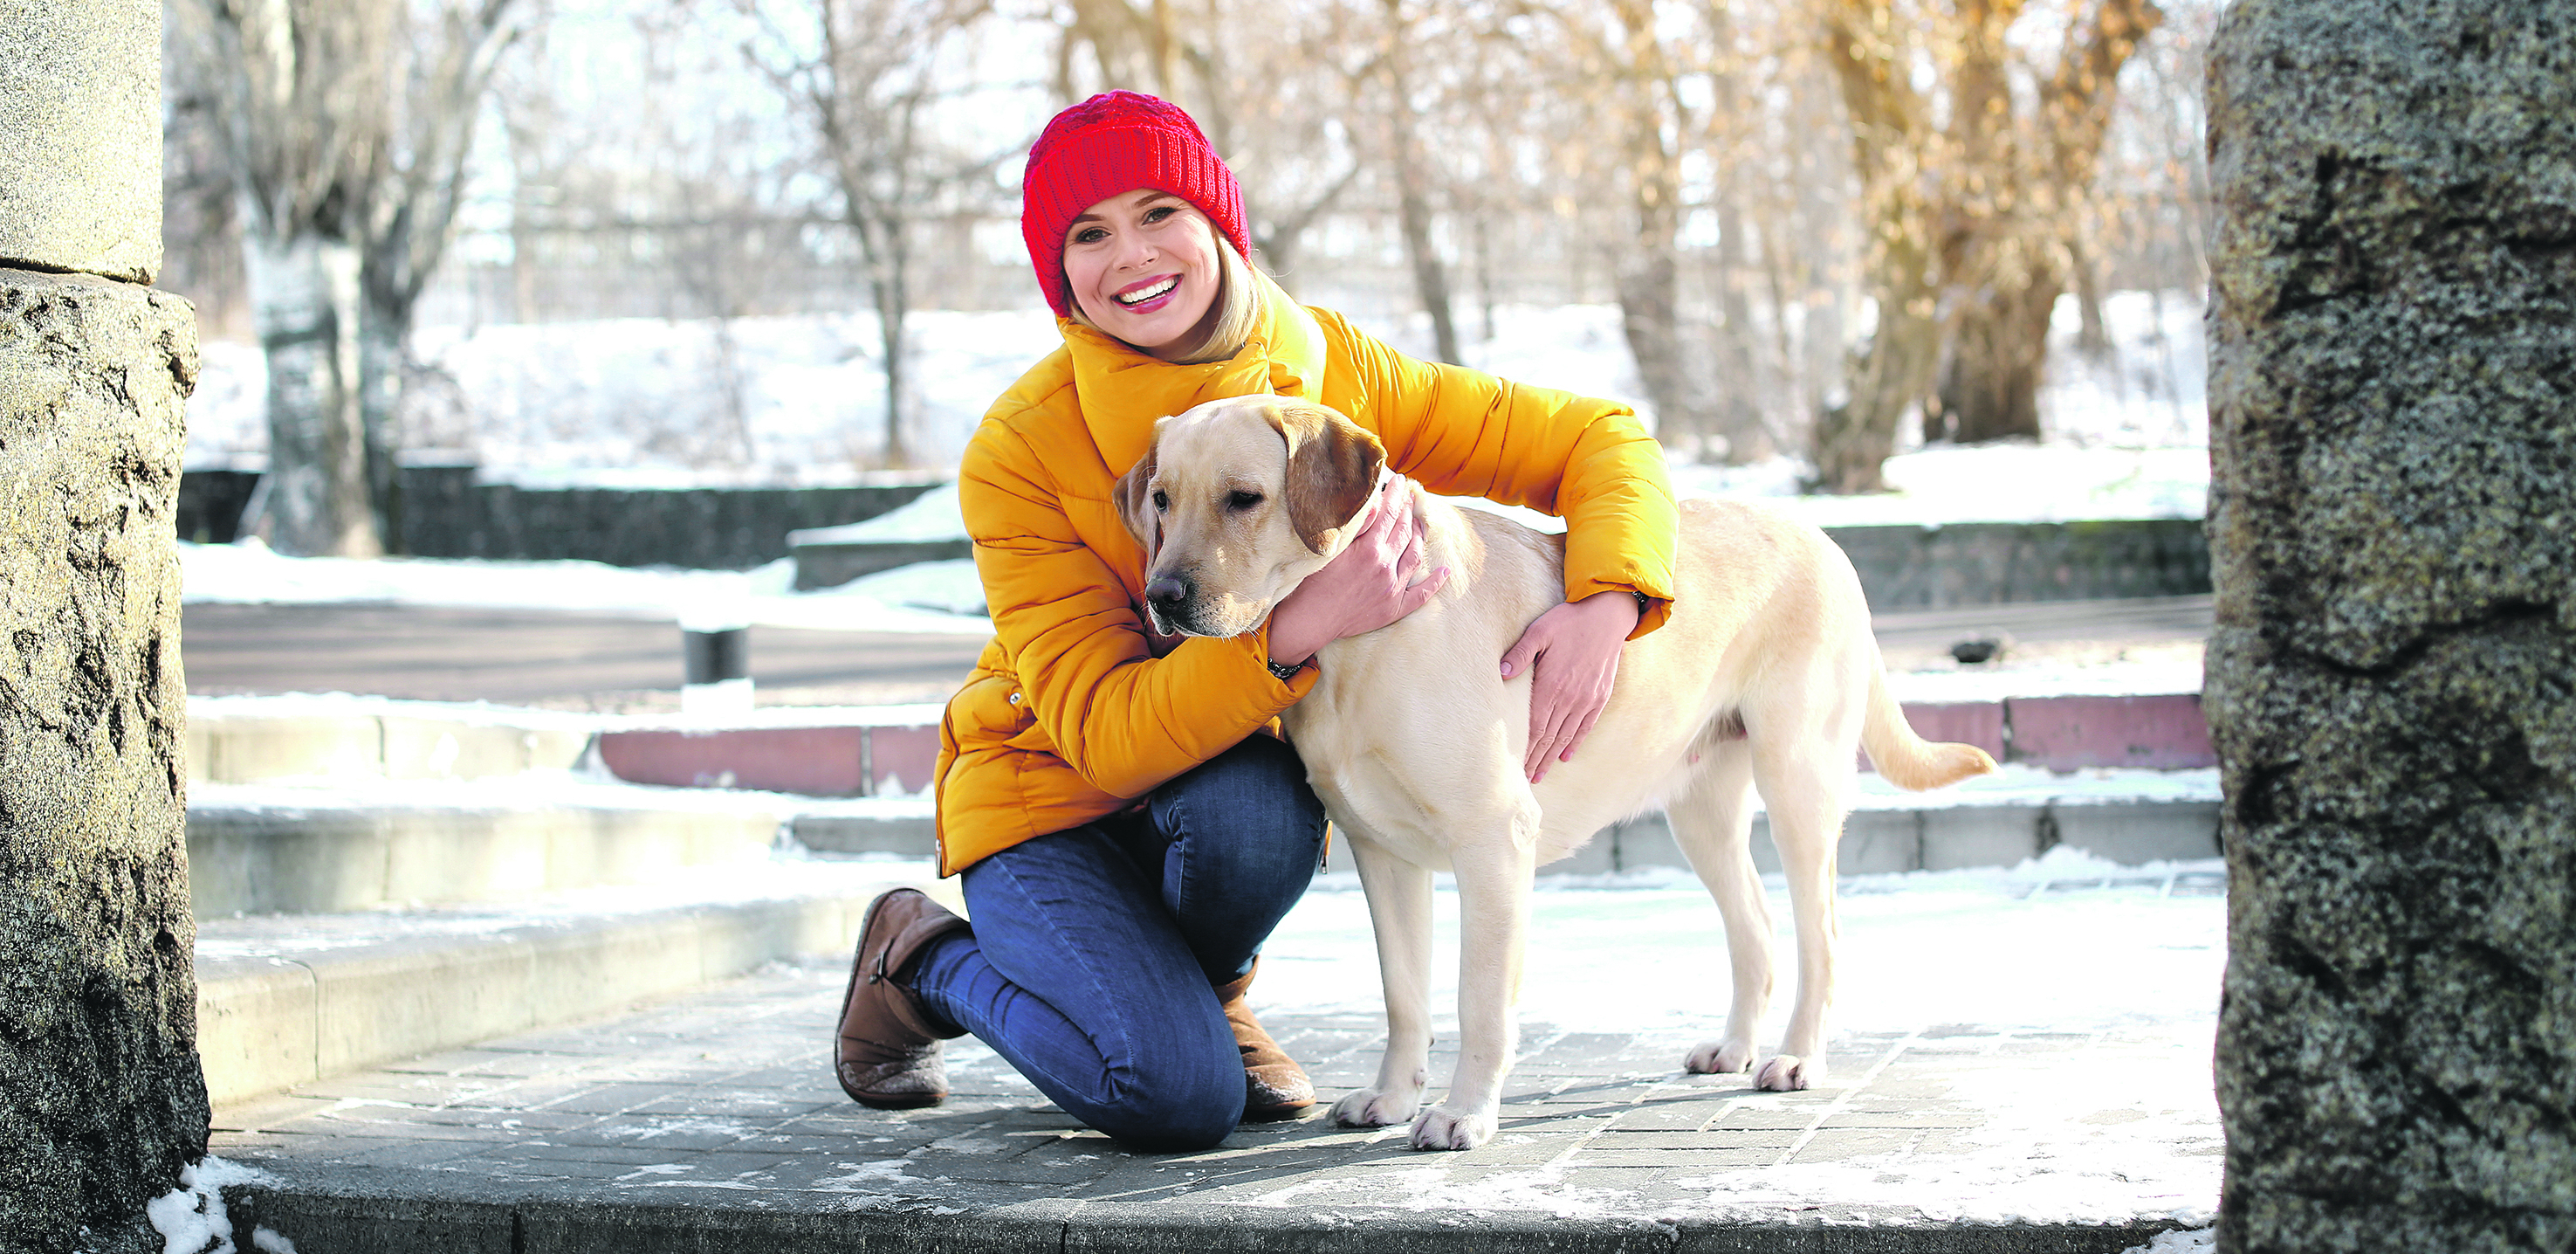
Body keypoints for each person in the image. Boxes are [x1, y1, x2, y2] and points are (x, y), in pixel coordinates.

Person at [835, 91, 1678, 1150]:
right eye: (1086, 234)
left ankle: (1198, 988)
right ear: (1060, 274)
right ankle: (921, 959)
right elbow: (1100, 731)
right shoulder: (1019, 449)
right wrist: (1294, 629)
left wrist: (1609, 597)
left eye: (1157, 213)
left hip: (1209, 786)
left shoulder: (1334, 380)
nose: (1130, 254)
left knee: (1260, 811)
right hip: (1049, 795)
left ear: (1217, 225)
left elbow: (1596, 437)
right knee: (1165, 1094)